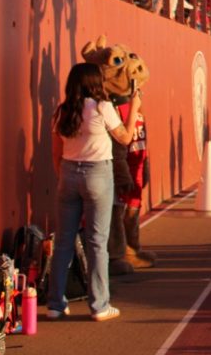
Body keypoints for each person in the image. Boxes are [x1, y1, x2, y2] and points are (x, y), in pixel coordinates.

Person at [47, 63, 142, 321]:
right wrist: (133, 109)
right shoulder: (102, 107)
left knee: (64, 242)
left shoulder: (62, 111)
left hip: (68, 173)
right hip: (98, 173)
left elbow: (56, 153)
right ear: (94, 82)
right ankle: (99, 305)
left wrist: (64, 178)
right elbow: (125, 137)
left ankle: (56, 303)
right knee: (97, 241)